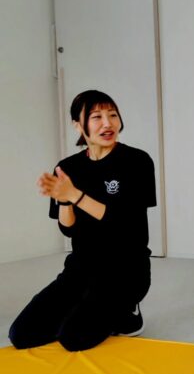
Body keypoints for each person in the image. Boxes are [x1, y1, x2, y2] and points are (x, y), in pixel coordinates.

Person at [8, 90, 156, 353]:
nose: (108, 123)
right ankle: (86, 306)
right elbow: (68, 227)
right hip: (81, 270)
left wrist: (74, 195)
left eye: (112, 115)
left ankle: (128, 311)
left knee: (73, 338)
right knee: (21, 334)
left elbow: (125, 224)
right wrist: (64, 200)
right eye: (96, 117)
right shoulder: (68, 168)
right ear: (78, 125)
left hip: (125, 270)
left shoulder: (137, 161)